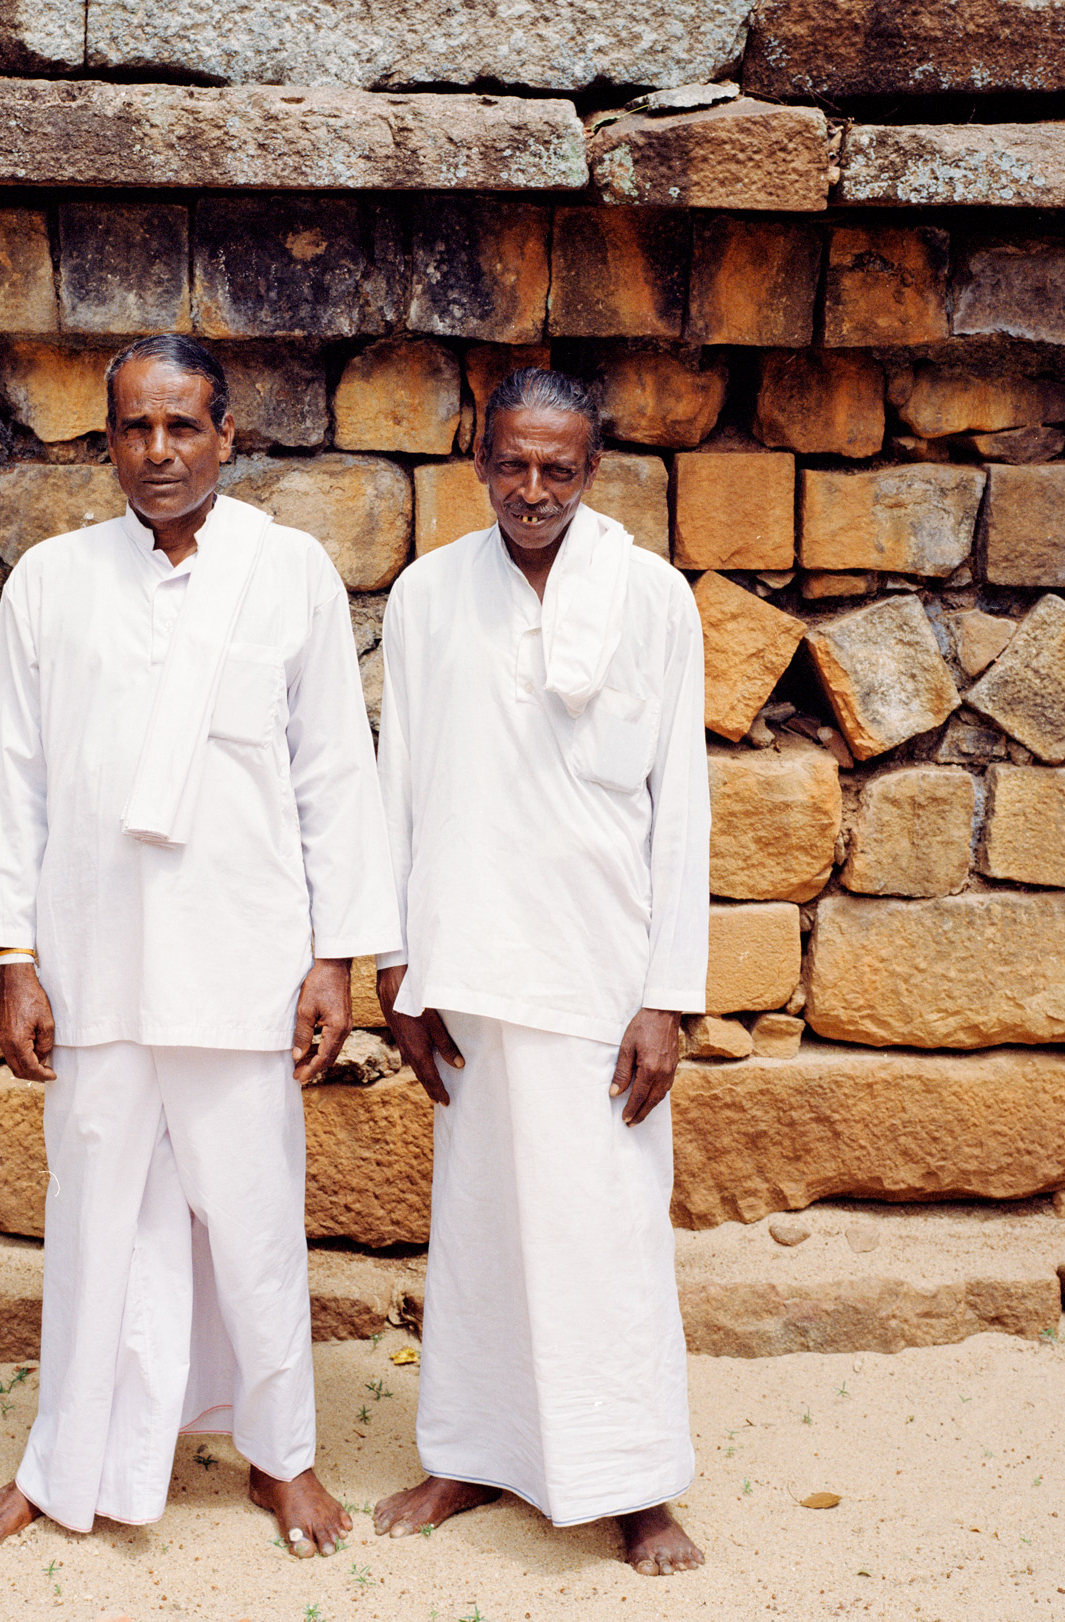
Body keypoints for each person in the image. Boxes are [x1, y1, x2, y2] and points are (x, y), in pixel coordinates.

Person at [0, 333, 399, 1557]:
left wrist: (333, 957)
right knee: (92, 1215)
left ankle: (281, 1457)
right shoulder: (51, 578)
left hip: (244, 956)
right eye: (134, 429)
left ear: (226, 434)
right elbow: (10, 780)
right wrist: (11, 959)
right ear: (105, 442)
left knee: (254, 1218)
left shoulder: (288, 573)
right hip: (91, 958)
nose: (157, 452)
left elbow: (332, 778)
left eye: (181, 426)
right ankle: (62, 1461)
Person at [371, 367, 710, 1577]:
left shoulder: (653, 598)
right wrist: (397, 971)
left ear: (591, 469)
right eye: (510, 463)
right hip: (465, 962)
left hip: (599, 971)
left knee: (607, 1230)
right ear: (479, 461)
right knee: (477, 1220)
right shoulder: (423, 596)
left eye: (555, 468)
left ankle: (634, 1486)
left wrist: (665, 995)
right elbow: (396, 782)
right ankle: (471, 1448)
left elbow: (683, 809)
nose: (530, 488)